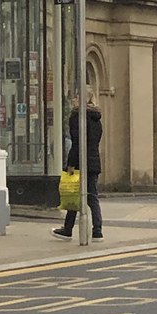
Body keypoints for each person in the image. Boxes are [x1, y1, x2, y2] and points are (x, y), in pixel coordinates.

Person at [53, 86, 103, 241]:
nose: (74, 99)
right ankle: (97, 230)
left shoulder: (77, 116)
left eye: (76, 96)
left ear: (82, 98)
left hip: (80, 162)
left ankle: (68, 230)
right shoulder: (96, 118)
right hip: (94, 161)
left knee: (73, 194)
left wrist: (70, 164)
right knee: (91, 196)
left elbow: (77, 143)